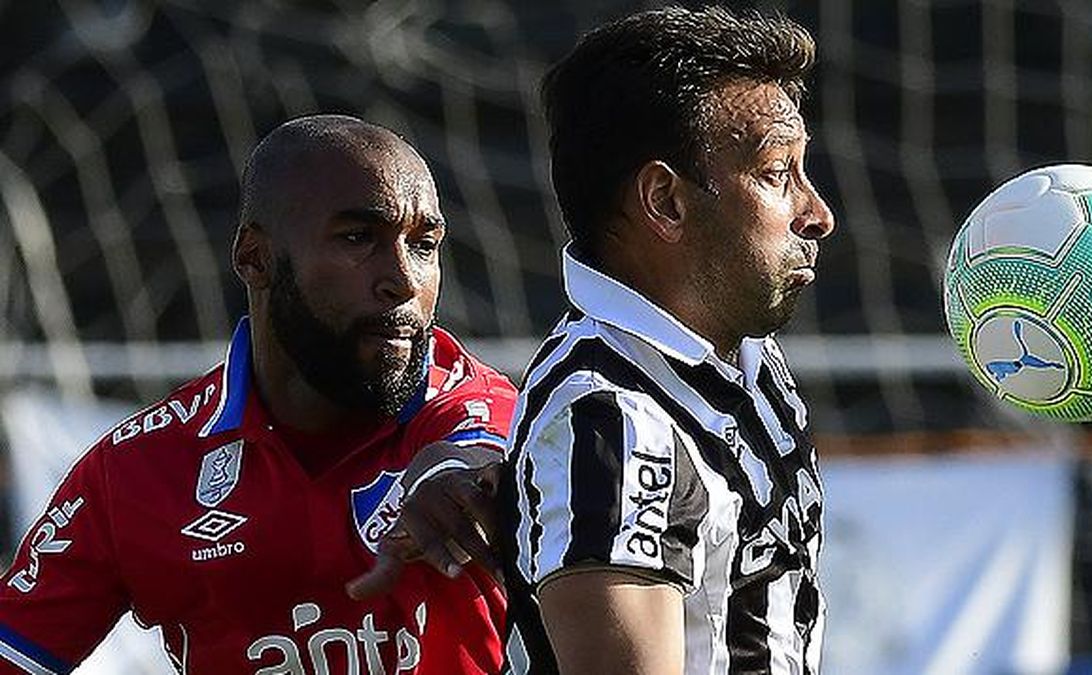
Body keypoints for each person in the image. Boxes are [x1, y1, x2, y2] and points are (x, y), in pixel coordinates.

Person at [0, 115, 516, 674]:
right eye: (357, 238)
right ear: (254, 257)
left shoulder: (477, 410)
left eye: (423, 244)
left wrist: (457, 477)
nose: (403, 279)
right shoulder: (136, 470)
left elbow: (479, 446)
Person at [499, 6, 835, 674]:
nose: (817, 213)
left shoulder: (740, 351)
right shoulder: (610, 419)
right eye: (776, 174)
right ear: (666, 201)